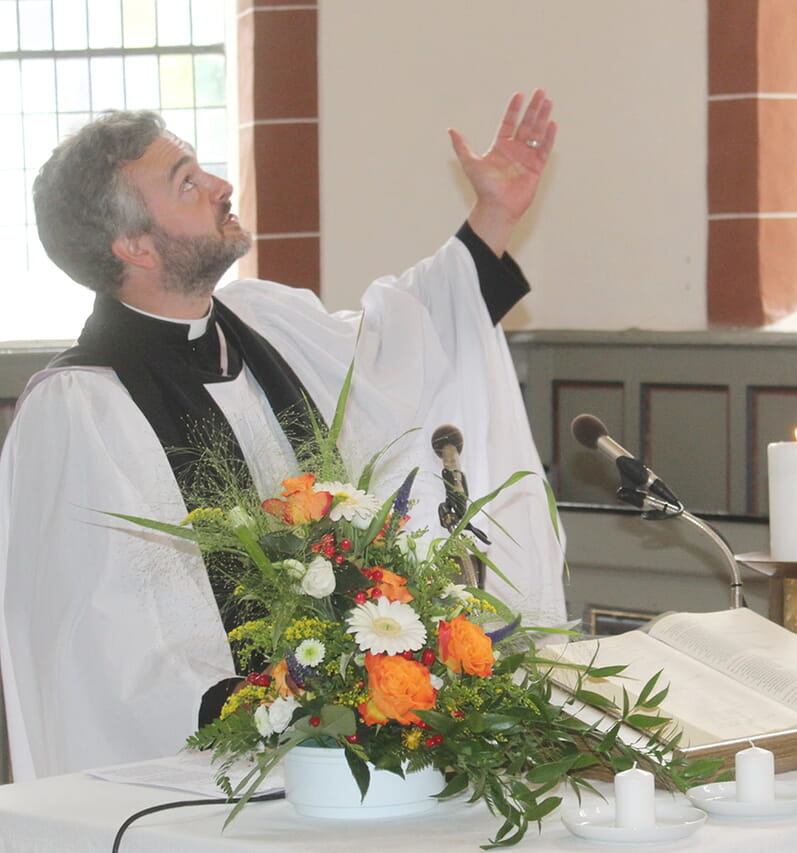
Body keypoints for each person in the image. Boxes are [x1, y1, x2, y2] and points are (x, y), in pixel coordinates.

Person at [0, 91, 567, 781]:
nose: (221, 185)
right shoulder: (79, 410)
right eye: (187, 182)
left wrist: (492, 218)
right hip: (211, 776)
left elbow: (397, 351)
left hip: (336, 749)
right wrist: (266, 705)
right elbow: (91, 645)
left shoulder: (261, 321)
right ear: (134, 244)